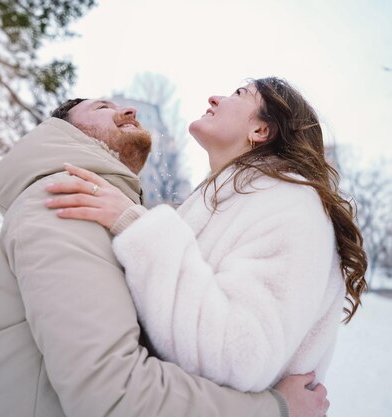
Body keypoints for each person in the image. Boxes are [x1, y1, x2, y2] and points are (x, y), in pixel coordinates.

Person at [0, 94, 330, 417]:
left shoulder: (98, 206)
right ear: (64, 132)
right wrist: (274, 409)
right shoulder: (66, 200)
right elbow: (114, 390)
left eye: (238, 93)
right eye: (102, 107)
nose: (130, 111)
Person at [45, 77, 368, 393]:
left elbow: (239, 356)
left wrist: (135, 226)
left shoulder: (290, 204)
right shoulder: (222, 202)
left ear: (261, 130)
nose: (214, 98)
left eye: (239, 94)